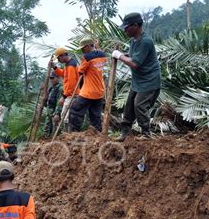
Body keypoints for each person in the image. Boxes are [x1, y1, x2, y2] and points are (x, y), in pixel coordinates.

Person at [112, 12, 161, 140]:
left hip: (149, 81)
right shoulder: (134, 41)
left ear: (135, 26)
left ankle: (146, 133)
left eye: (126, 27)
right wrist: (122, 55)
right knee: (129, 107)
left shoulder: (146, 41)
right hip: (138, 81)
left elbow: (134, 63)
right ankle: (125, 133)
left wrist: (119, 56)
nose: (125, 30)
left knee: (139, 105)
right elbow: (133, 57)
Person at [68, 37, 107, 132]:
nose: (82, 50)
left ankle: (74, 133)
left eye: (83, 48)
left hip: (88, 92)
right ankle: (96, 133)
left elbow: (80, 72)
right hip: (99, 92)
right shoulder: (103, 55)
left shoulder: (87, 57)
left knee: (75, 110)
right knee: (95, 115)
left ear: (88, 46)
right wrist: (97, 48)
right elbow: (98, 54)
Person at [51, 47, 80, 129]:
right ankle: (69, 135)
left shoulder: (71, 65)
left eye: (58, 58)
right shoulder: (68, 64)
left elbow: (71, 83)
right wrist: (55, 67)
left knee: (66, 117)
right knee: (66, 116)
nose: (58, 60)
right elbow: (64, 74)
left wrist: (63, 97)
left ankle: (69, 135)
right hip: (71, 94)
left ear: (63, 55)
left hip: (72, 95)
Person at [42, 71, 62, 137]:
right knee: (46, 131)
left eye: (53, 78)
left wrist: (57, 113)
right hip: (49, 114)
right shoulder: (51, 89)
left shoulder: (60, 88)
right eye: (50, 78)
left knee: (55, 133)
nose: (51, 80)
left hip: (54, 114)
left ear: (58, 78)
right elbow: (47, 102)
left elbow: (59, 102)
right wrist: (43, 91)